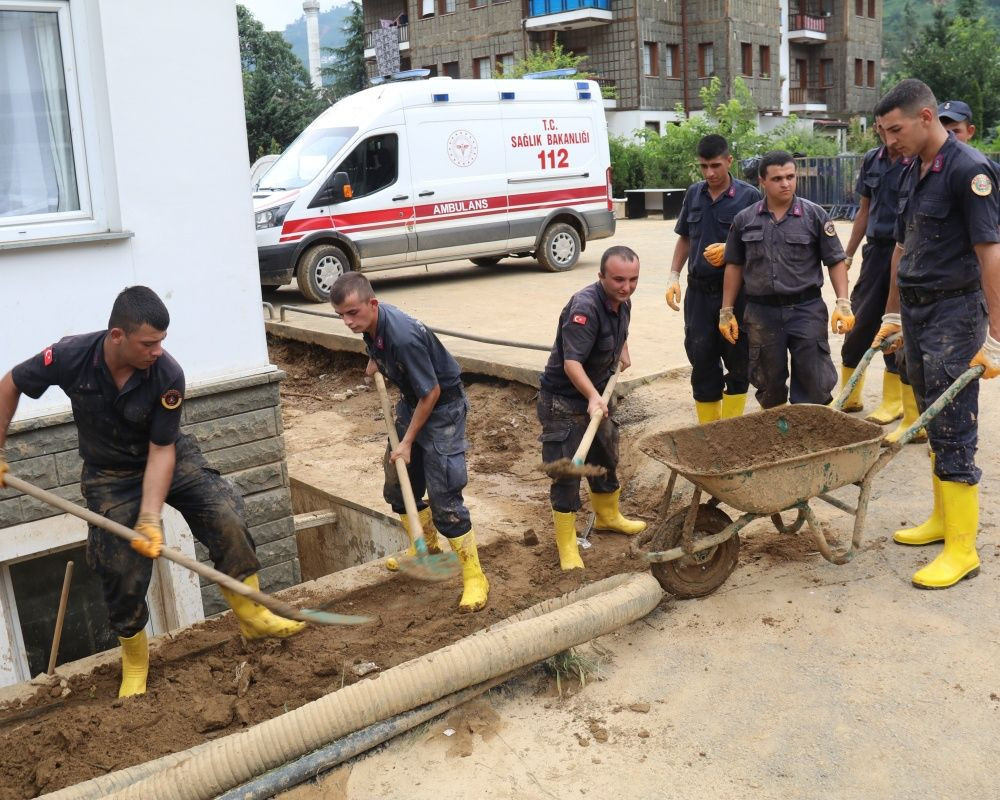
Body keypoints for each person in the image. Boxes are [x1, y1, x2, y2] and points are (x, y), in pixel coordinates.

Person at [0, 287, 303, 698]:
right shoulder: (71, 357)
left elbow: (163, 451)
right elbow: (12, 382)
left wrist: (149, 516)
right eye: (149, 342)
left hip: (169, 456)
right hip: (109, 473)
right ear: (117, 336)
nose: (158, 350)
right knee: (118, 565)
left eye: (161, 340)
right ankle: (136, 659)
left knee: (225, 511)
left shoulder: (166, 375)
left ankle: (251, 614)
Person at [872, 79, 1000, 589]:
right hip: (919, 313)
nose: (889, 142)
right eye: (883, 132)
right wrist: (891, 313)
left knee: (954, 425)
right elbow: (902, 248)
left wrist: (995, 335)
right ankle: (942, 521)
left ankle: (963, 549)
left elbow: (990, 252)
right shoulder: (910, 170)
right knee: (928, 412)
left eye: (895, 130)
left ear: (927, 117)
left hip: (956, 313)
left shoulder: (969, 170)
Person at [330, 272, 488, 612]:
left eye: (353, 313)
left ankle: (474, 576)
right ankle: (425, 546)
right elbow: (382, 349)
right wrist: (375, 358)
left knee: (444, 496)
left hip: (442, 408)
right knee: (398, 489)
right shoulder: (372, 325)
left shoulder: (402, 337)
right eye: (341, 315)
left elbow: (431, 392)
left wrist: (407, 442)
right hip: (412, 401)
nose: (347, 322)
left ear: (372, 304)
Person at [538, 245, 646, 572]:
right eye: (618, 280)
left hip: (597, 392)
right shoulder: (584, 309)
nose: (626, 287)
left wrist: (622, 349)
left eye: (633, 280)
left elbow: (619, 328)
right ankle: (567, 544)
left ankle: (608, 517)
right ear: (601, 276)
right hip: (564, 400)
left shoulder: (622, 301)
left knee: (606, 456)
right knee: (568, 470)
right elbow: (572, 363)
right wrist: (592, 397)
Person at [719, 151, 854, 408]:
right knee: (768, 384)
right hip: (762, 313)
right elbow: (734, 265)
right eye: (778, 178)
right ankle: (780, 439)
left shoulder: (814, 216)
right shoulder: (745, 219)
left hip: (806, 310)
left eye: (791, 177)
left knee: (814, 381)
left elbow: (835, 260)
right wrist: (726, 310)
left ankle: (813, 440)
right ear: (763, 181)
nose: (786, 183)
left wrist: (843, 302)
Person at [666, 134, 761, 424]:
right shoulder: (694, 193)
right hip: (698, 296)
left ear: (729, 161)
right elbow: (685, 236)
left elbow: (761, 246)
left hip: (735, 295)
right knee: (701, 356)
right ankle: (709, 429)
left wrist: (732, 249)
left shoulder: (750, 197)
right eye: (704, 166)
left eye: (716, 165)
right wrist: (674, 275)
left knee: (737, 357)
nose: (710, 173)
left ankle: (731, 428)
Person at [837, 123, 917, 436]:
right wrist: (847, 255)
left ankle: (894, 402)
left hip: (908, 253)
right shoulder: (873, 159)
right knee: (859, 321)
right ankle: (850, 395)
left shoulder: (916, 159)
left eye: (895, 127)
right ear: (876, 129)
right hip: (876, 252)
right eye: (883, 129)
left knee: (897, 326)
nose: (889, 135)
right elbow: (863, 210)